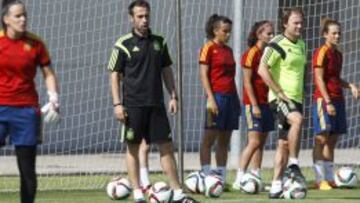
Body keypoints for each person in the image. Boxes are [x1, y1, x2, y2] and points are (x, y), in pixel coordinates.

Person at [107, 1, 198, 202]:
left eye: (147, 15)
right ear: (131, 18)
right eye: (140, 16)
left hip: (156, 105)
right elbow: (114, 75)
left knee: (166, 146)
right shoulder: (123, 44)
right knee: (133, 147)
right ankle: (138, 192)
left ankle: (178, 192)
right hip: (133, 106)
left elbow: (166, 70)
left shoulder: (159, 42)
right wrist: (117, 104)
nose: (144, 20)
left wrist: (173, 96)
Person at [0, 1, 60, 203]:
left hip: (26, 112)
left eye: (24, 15)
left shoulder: (36, 43)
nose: (23, 19)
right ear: (6, 19)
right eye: (17, 16)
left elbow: (48, 74)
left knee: (27, 171)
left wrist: (53, 98)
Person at [258, 8, 307, 198]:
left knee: (283, 143)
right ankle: (294, 165)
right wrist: (279, 92)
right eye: (295, 22)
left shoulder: (302, 44)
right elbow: (262, 69)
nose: (299, 26)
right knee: (297, 120)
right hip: (281, 98)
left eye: (301, 22)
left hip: (296, 98)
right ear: (285, 24)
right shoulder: (276, 43)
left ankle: (277, 184)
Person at [311, 18, 359, 190]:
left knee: (332, 140)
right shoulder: (321, 52)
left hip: (338, 100)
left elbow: (335, 79)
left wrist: (350, 85)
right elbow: (319, 78)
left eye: (339, 33)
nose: (338, 36)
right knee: (321, 138)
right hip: (324, 100)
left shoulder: (338, 54)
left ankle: (330, 178)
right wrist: (328, 101)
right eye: (334, 33)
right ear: (325, 35)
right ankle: (319, 179)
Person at [232, 21, 274, 190]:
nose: (271, 37)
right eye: (268, 34)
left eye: (272, 33)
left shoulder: (268, 54)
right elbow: (247, 82)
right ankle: (239, 177)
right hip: (253, 104)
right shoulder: (251, 54)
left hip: (267, 103)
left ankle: (255, 174)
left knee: (261, 143)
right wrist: (255, 105)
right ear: (259, 35)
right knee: (254, 141)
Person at [199, 14, 240, 183]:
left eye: (230, 31)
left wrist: (236, 100)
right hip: (216, 97)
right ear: (215, 31)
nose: (228, 34)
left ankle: (221, 178)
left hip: (231, 98)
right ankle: (206, 176)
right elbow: (203, 75)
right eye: (225, 31)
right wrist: (211, 98)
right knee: (209, 138)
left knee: (225, 139)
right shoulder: (208, 48)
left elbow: (231, 77)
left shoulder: (228, 50)